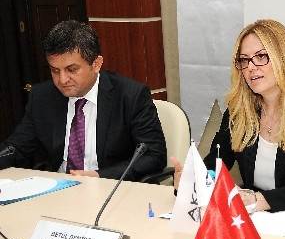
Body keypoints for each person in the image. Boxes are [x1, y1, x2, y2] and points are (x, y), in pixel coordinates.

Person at [173, 19, 285, 212]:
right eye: (244, 60)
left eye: (261, 56)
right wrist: (192, 181)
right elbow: (215, 165)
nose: (251, 67)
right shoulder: (239, 111)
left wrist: (256, 200)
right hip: (263, 218)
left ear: (284, 59)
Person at [0, 20, 166, 180]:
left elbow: (153, 155)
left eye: (71, 70)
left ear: (96, 64)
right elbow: (17, 147)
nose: (62, 80)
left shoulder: (130, 96)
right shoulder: (42, 97)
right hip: (59, 189)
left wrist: (100, 176)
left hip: (109, 188)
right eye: (55, 71)